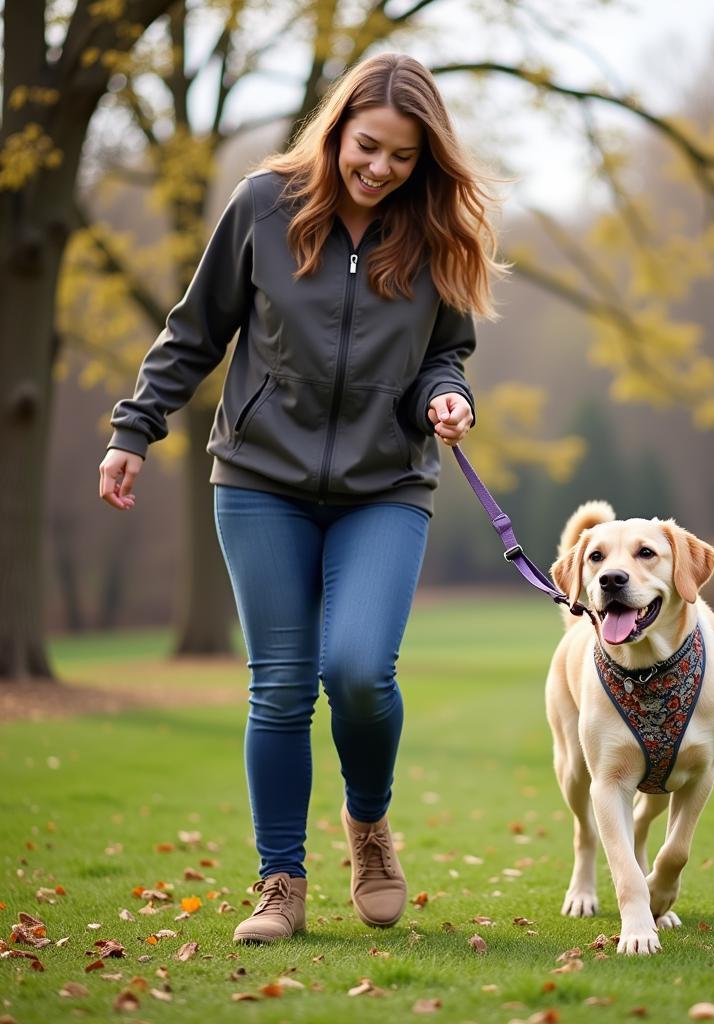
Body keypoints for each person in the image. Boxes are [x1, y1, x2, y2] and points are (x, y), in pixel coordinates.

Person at [98, 52, 504, 944]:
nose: (381, 169)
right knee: (280, 687)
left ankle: (369, 827)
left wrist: (452, 397)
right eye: (369, 147)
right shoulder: (263, 207)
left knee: (358, 671)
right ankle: (280, 882)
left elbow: (449, 351)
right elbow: (197, 330)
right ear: (338, 129)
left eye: (403, 157)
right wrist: (136, 429)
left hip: (386, 485)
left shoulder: (432, 232)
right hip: (260, 481)